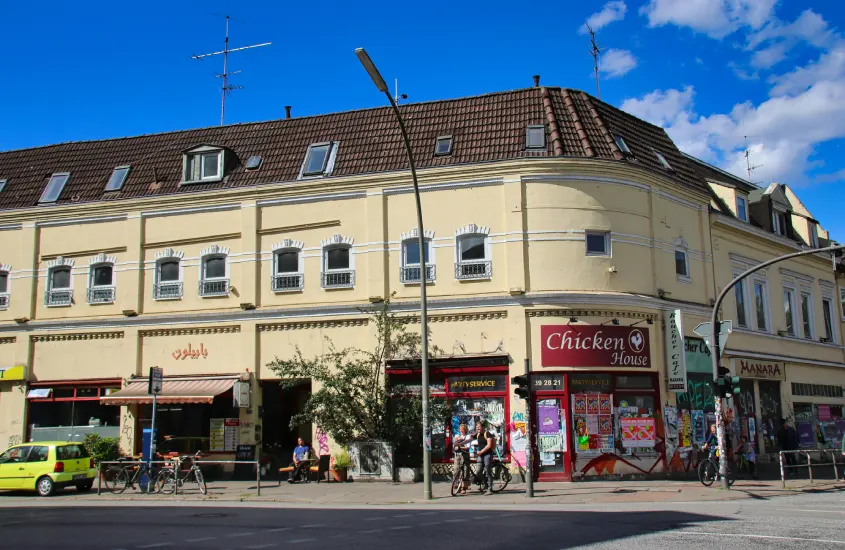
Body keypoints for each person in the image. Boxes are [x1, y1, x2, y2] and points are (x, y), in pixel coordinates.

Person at [473, 421, 496, 496]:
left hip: (487, 455)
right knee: (478, 471)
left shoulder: (487, 434)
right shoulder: (478, 434)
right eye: (476, 427)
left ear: (483, 427)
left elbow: (489, 445)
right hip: (480, 455)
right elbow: (469, 439)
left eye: (479, 427)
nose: (477, 428)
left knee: (488, 472)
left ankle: (490, 489)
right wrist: (460, 443)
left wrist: (481, 451)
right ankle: (485, 483)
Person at [452, 424, 471, 495]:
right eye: (460, 429)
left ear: (465, 429)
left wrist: (460, 447)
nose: (461, 430)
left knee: (465, 471)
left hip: (465, 454)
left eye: (462, 429)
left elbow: (468, 446)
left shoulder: (468, 436)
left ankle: (464, 487)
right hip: (458, 455)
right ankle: (456, 485)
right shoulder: (457, 436)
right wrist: (455, 446)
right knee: (456, 469)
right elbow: (454, 445)